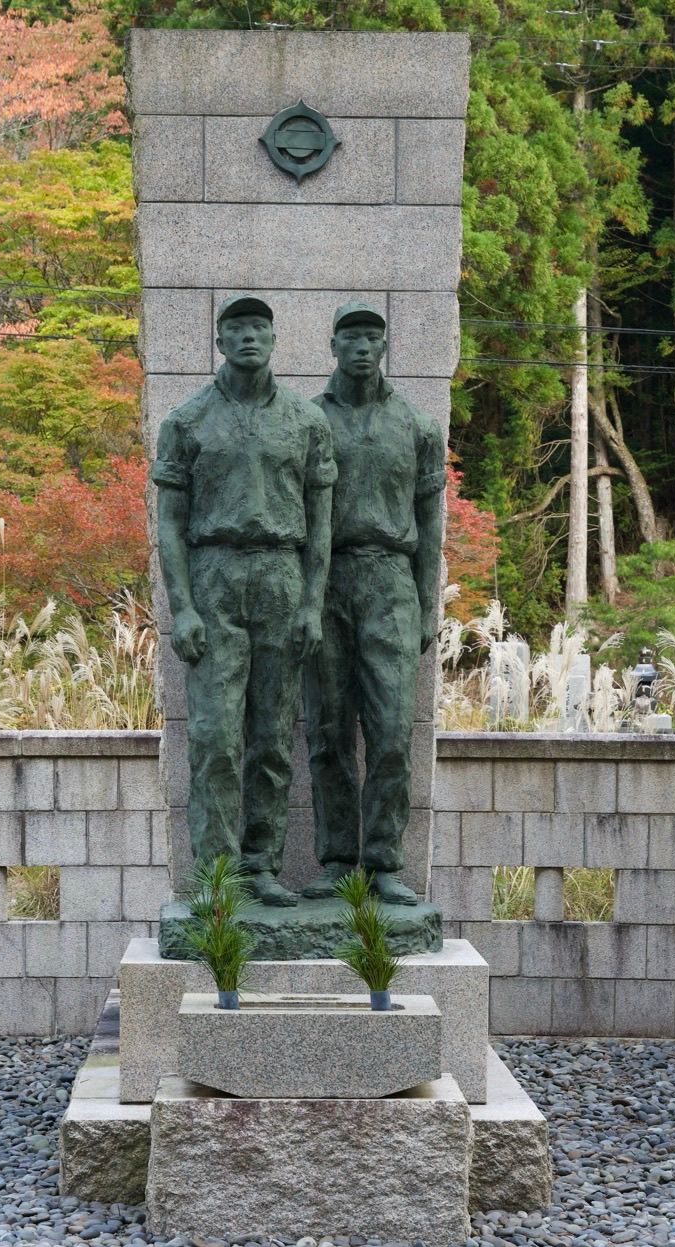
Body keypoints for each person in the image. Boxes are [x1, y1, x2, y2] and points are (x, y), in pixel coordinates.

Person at [151, 294, 335, 907]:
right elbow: (170, 525)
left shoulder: (307, 422)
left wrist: (312, 603)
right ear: (220, 339)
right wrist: (182, 606)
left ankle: (262, 863)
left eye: (259, 326)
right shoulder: (186, 420)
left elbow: (321, 520)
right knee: (213, 735)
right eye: (237, 327)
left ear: (274, 337)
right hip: (215, 575)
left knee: (273, 735)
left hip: (282, 574)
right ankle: (217, 874)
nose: (249, 336)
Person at [302, 300, 445, 907]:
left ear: (384, 346)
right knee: (329, 730)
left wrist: (429, 602)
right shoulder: (306, 422)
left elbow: (430, 519)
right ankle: (337, 858)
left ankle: (384, 860)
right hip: (326, 580)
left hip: (391, 582)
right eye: (351, 336)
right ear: (332, 345)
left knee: (390, 731)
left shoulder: (416, 425)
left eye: (372, 336)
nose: (362, 346)